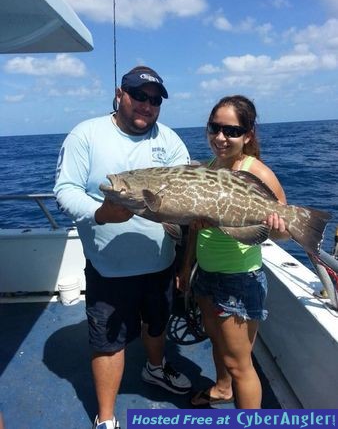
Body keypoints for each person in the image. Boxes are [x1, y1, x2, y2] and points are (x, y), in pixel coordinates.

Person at [54, 66, 191, 429]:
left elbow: (188, 193)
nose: (147, 105)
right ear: (120, 94)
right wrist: (100, 213)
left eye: (155, 100)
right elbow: (65, 190)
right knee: (108, 342)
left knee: (157, 325)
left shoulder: (171, 141)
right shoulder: (86, 134)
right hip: (109, 268)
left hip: (160, 262)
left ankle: (155, 369)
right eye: (139, 96)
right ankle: (107, 417)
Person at [177, 95, 288, 409]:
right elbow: (197, 229)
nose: (221, 137)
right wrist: (186, 268)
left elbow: (283, 232)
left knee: (240, 365)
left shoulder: (257, 173)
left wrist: (279, 225)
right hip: (206, 276)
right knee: (217, 342)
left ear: (248, 135)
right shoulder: (209, 168)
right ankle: (223, 389)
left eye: (232, 131)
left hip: (239, 281)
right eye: (215, 128)